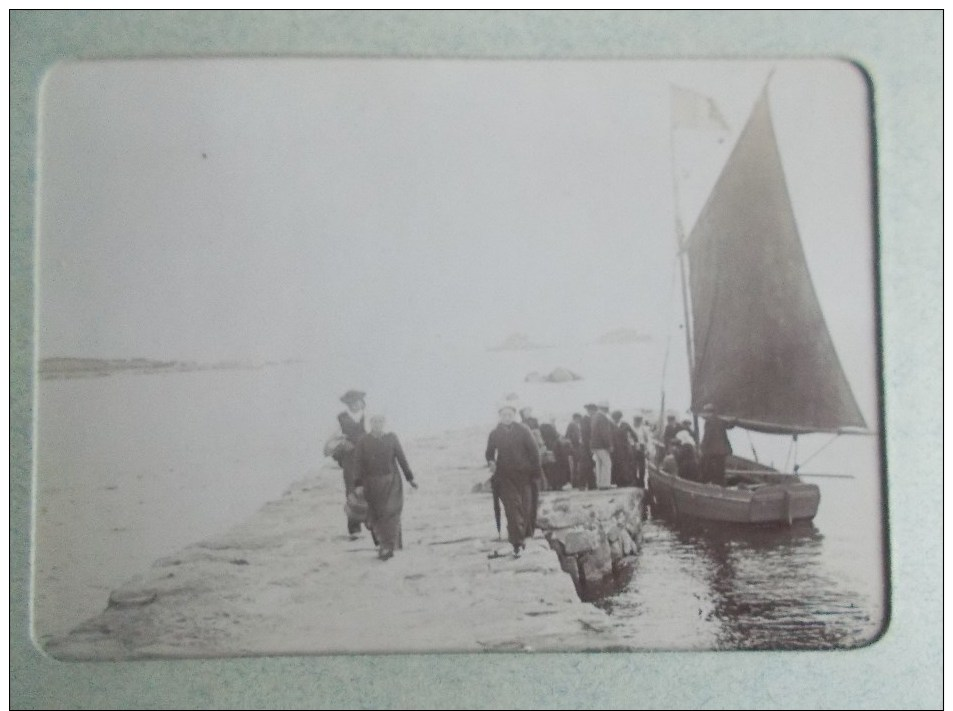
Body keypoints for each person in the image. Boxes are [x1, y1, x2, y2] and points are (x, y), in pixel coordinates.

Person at [353, 414, 418, 561]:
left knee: (391, 513)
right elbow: (358, 464)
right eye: (374, 421)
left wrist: (410, 478)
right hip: (372, 485)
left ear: (384, 422)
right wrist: (358, 484)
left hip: (392, 483)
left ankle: (388, 547)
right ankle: (384, 545)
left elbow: (401, 458)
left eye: (380, 421)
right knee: (376, 517)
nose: (377, 424)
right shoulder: (363, 441)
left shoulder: (391, 438)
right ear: (370, 423)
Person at [485, 403, 542, 558]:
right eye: (504, 415)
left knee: (526, 508)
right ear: (500, 416)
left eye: (509, 415)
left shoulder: (523, 430)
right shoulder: (495, 433)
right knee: (512, 509)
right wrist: (491, 462)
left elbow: (534, 452)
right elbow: (489, 453)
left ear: (514, 415)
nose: (507, 418)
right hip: (505, 477)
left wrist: (536, 472)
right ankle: (516, 543)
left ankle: (524, 537)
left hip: (524, 476)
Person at [325, 389, 369, 538]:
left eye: (357, 401)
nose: (355, 405)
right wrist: (343, 442)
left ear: (362, 402)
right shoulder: (341, 419)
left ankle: (371, 521)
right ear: (347, 404)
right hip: (350, 458)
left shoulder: (368, 416)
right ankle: (354, 527)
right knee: (351, 490)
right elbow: (330, 441)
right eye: (351, 402)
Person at [699, 403, 735, 487]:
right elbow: (730, 426)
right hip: (722, 451)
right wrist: (734, 421)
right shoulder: (720, 420)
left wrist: (702, 449)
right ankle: (721, 485)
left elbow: (707, 436)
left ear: (708, 412)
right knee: (720, 470)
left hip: (713, 451)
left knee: (709, 469)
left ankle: (710, 485)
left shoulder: (708, 422)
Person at [539, 419, 571, 490]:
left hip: (553, 462)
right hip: (558, 462)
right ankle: (557, 485)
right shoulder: (556, 440)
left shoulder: (547, 441)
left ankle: (553, 485)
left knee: (552, 472)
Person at [590, 400, 614, 489]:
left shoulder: (595, 416)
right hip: (602, 445)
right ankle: (605, 484)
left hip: (595, 444)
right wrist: (609, 445)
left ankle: (599, 483)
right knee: (607, 463)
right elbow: (605, 433)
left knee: (599, 464)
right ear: (606, 408)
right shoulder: (603, 418)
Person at [610, 411, 637, 487]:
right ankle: (618, 481)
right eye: (615, 418)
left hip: (624, 447)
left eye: (617, 418)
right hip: (615, 448)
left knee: (625, 465)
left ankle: (626, 481)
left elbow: (633, 434)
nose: (616, 420)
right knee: (617, 465)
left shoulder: (625, 424)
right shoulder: (611, 425)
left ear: (620, 418)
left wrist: (635, 442)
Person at [631, 415, 653, 488]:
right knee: (633, 465)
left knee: (642, 466)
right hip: (633, 447)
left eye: (639, 420)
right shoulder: (631, 427)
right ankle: (634, 480)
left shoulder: (644, 429)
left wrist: (647, 450)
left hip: (641, 447)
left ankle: (641, 481)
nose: (637, 422)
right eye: (636, 420)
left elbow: (647, 440)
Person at [580, 405, 598, 490]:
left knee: (590, 465)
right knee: (586, 465)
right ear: (590, 410)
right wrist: (590, 446)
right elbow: (585, 435)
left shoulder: (589, 419)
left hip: (588, 445)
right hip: (586, 446)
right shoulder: (585, 420)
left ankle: (591, 484)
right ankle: (583, 484)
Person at [564, 414, 583, 488]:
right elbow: (575, 436)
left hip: (573, 447)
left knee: (575, 466)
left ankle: (575, 482)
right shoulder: (573, 425)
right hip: (575, 447)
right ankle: (576, 482)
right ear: (577, 418)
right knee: (576, 465)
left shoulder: (572, 424)